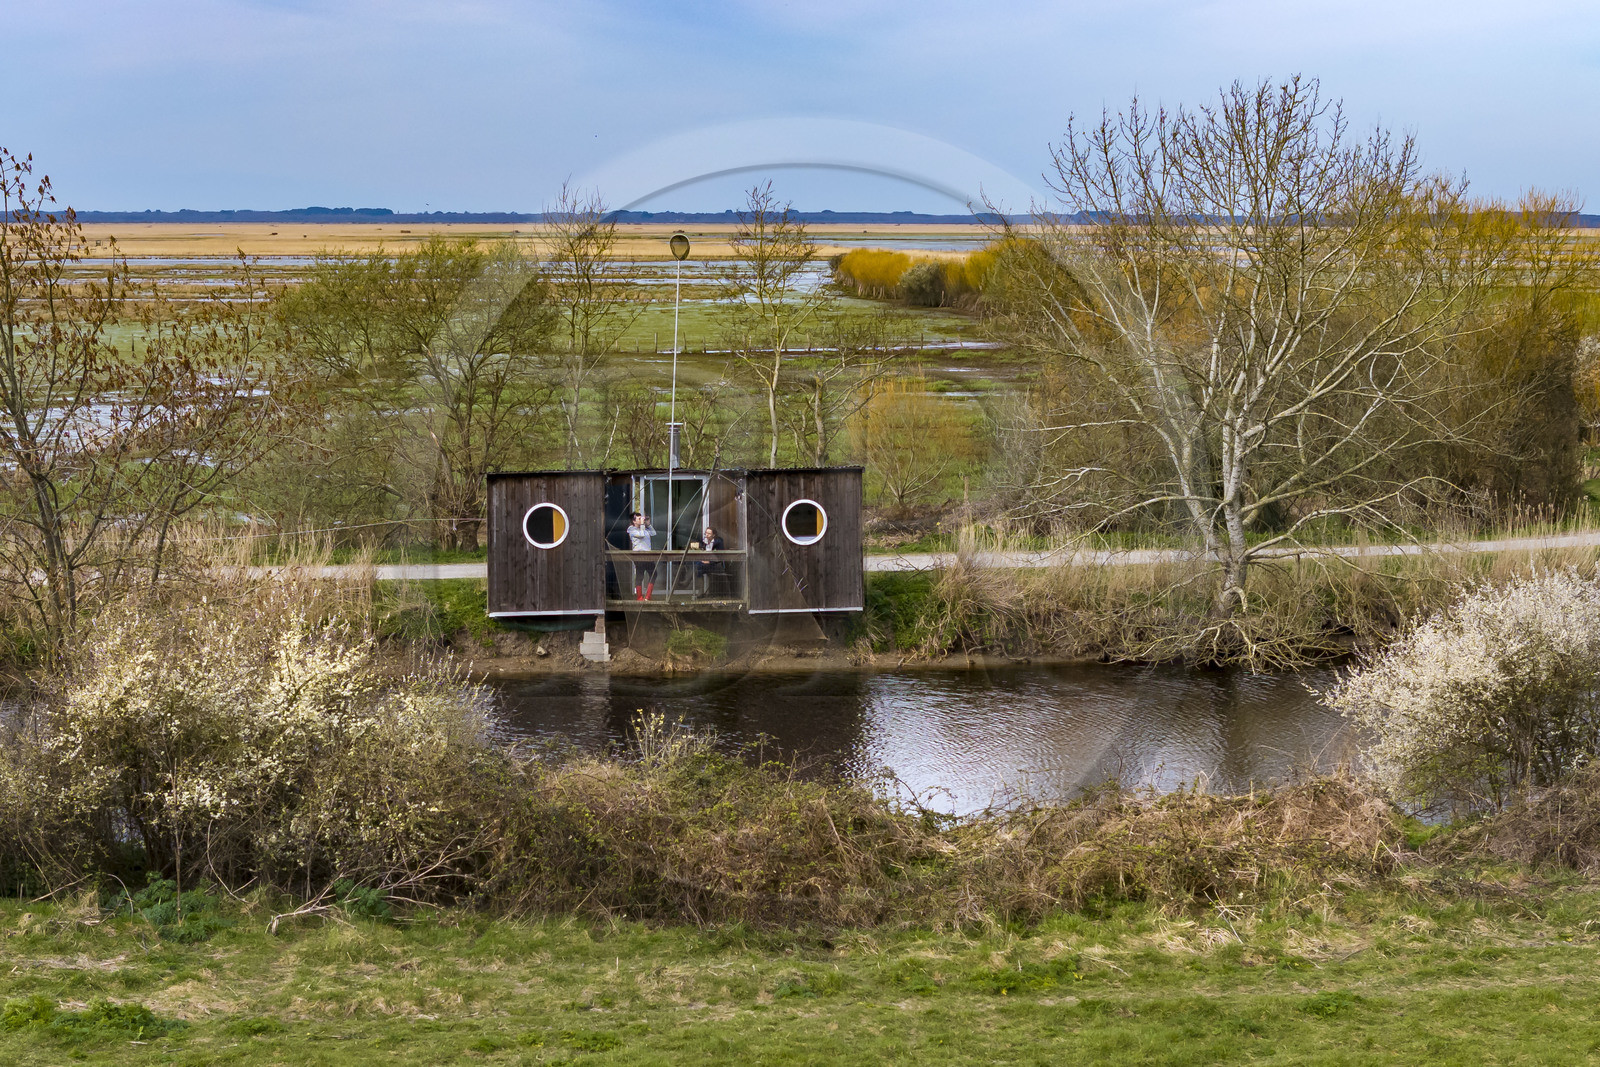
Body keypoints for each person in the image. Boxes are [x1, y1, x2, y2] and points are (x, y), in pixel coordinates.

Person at [628, 512, 655, 600]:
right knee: (640, 575)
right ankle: (639, 597)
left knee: (654, 573)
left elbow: (653, 533)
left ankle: (647, 596)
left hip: (647, 555)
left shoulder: (644, 528)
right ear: (634, 521)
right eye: (639, 519)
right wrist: (643, 525)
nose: (641, 520)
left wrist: (648, 524)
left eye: (641, 518)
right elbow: (641, 535)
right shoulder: (631, 529)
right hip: (639, 555)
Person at [690, 525, 725, 594]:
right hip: (705, 563)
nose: (707, 535)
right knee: (697, 565)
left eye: (709, 533)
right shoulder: (704, 541)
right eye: (706, 533)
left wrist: (709, 561)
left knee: (698, 566)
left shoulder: (718, 542)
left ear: (714, 535)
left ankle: (700, 591)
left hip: (715, 564)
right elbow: (700, 549)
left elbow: (720, 555)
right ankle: (701, 590)